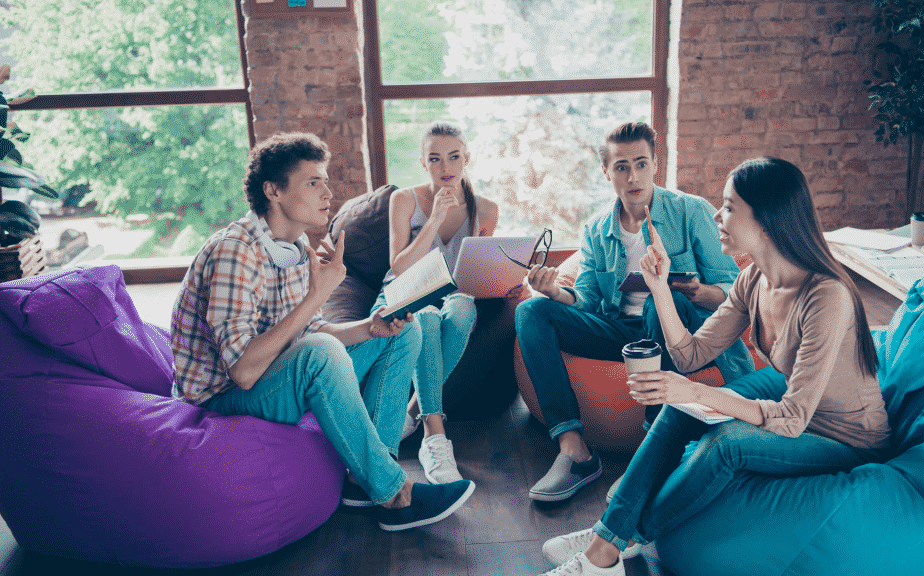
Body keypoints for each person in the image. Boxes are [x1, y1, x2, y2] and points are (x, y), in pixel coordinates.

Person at [538, 157, 891, 576]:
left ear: (766, 220)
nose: (715, 216)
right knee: (679, 409)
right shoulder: (754, 279)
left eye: (728, 207)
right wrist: (659, 289)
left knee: (724, 442)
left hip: (846, 438)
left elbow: (793, 419)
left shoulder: (826, 296)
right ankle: (608, 538)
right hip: (799, 412)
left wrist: (698, 393)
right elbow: (690, 355)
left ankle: (610, 546)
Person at [170, 132, 474, 532]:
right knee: (319, 352)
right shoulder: (235, 252)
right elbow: (243, 372)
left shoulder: (294, 247)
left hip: (275, 375)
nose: (328, 192)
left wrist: (371, 326)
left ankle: (367, 477)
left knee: (403, 331)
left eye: (325, 180)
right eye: (313, 182)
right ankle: (395, 494)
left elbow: (316, 330)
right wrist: (318, 294)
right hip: (223, 399)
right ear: (273, 191)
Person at [516, 121, 754, 503]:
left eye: (641, 164)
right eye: (622, 167)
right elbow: (589, 300)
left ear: (655, 165)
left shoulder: (691, 212)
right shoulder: (596, 228)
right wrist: (555, 293)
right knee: (532, 312)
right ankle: (573, 450)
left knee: (666, 302)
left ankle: (651, 451)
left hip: (675, 333)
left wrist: (698, 292)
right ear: (606, 172)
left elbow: (735, 291)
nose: (633, 176)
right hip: (617, 331)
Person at [361, 120, 500, 485]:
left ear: (466, 158)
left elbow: (476, 271)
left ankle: (414, 409)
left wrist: (504, 283)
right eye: (435, 159)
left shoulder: (485, 209)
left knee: (464, 308)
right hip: (405, 292)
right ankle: (434, 435)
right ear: (423, 163)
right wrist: (436, 215)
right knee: (426, 317)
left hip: (454, 294)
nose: (445, 168)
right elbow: (399, 266)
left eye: (454, 157)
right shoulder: (403, 199)